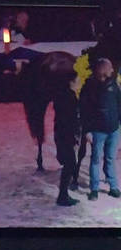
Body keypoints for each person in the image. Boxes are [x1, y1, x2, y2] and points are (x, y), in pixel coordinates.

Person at [79, 58, 121, 200]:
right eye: (109, 68)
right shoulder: (89, 87)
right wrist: (87, 131)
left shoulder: (114, 85)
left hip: (114, 130)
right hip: (97, 131)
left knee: (110, 158)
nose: (112, 70)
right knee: (96, 159)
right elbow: (84, 111)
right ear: (103, 70)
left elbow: (119, 105)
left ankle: (113, 186)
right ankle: (94, 189)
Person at [53, 70, 82, 206]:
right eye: (77, 81)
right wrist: (74, 136)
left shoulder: (61, 95)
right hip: (66, 135)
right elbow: (70, 119)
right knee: (70, 164)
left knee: (69, 163)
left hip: (61, 134)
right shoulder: (69, 97)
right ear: (71, 82)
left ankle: (63, 195)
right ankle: (62, 196)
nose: (79, 83)